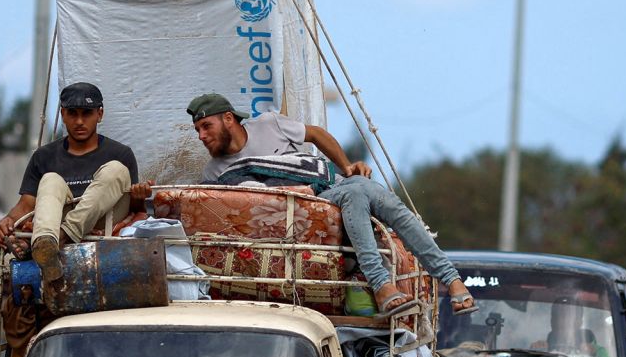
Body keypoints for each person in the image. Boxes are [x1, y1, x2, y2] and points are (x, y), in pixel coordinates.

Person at [184, 93, 477, 316]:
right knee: (360, 192)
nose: (202, 136)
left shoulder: (269, 124)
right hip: (304, 210)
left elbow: (314, 134)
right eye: (198, 130)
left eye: (206, 126)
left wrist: (347, 166)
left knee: (367, 189)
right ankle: (448, 281)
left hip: (329, 190)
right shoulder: (214, 172)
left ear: (228, 119)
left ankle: (398, 284)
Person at [0, 82, 150, 285]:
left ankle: (57, 239)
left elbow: (133, 209)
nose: (79, 121)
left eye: (86, 113)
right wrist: (7, 220)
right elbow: (26, 205)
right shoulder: (44, 156)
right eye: (72, 113)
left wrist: (139, 197)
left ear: (99, 114)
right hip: (60, 217)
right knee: (50, 179)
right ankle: (45, 242)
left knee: (116, 169)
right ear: (63, 115)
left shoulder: (121, 153)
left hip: (106, 219)